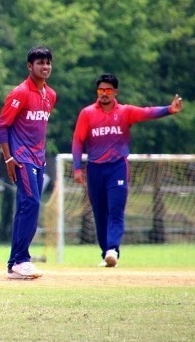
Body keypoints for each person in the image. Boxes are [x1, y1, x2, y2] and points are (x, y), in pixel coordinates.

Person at [72, 74, 184, 267]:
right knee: (100, 213)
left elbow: (148, 112)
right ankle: (106, 252)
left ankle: (112, 249)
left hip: (117, 168)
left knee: (116, 210)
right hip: (95, 169)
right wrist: (76, 169)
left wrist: (169, 110)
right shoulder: (87, 113)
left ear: (115, 92)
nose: (104, 94)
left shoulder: (125, 112)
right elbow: (77, 141)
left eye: (108, 90)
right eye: (101, 90)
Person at [0, 46, 56, 280]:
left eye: (48, 62)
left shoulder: (50, 95)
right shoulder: (20, 93)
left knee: (29, 205)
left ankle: (14, 264)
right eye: (40, 63)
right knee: (30, 203)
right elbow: (1, 126)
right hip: (21, 157)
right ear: (30, 66)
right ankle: (21, 260)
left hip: (39, 158)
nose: (45, 67)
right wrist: (8, 158)